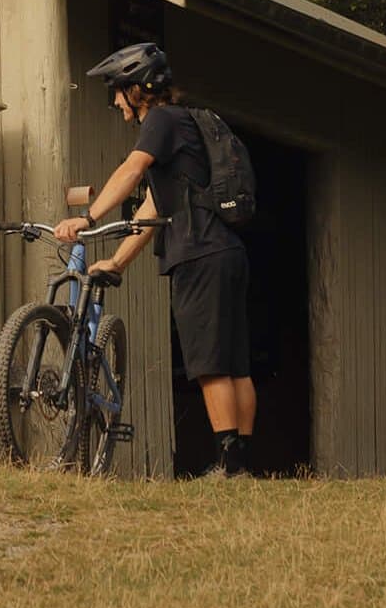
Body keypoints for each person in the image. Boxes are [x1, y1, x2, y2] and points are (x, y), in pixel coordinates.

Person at [55, 42, 257, 478]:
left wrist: (87, 217)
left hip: (200, 256)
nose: (114, 101)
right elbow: (152, 208)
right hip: (226, 252)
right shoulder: (183, 125)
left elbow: (131, 172)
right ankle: (239, 463)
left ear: (139, 90)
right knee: (235, 361)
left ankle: (229, 465)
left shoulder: (161, 120)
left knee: (211, 364)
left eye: (117, 90)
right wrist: (118, 262)